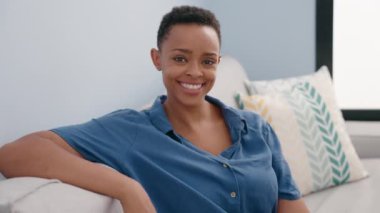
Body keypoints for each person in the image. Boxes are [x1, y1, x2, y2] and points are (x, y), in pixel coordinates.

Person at [0, 5, 309, 213]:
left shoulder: (255, 128)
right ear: (157, 58)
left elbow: (291, 205)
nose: (194, 72)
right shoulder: (130, 132)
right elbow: (13, 154)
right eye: (180, 58)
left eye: (207, 61)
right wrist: (126, 187)